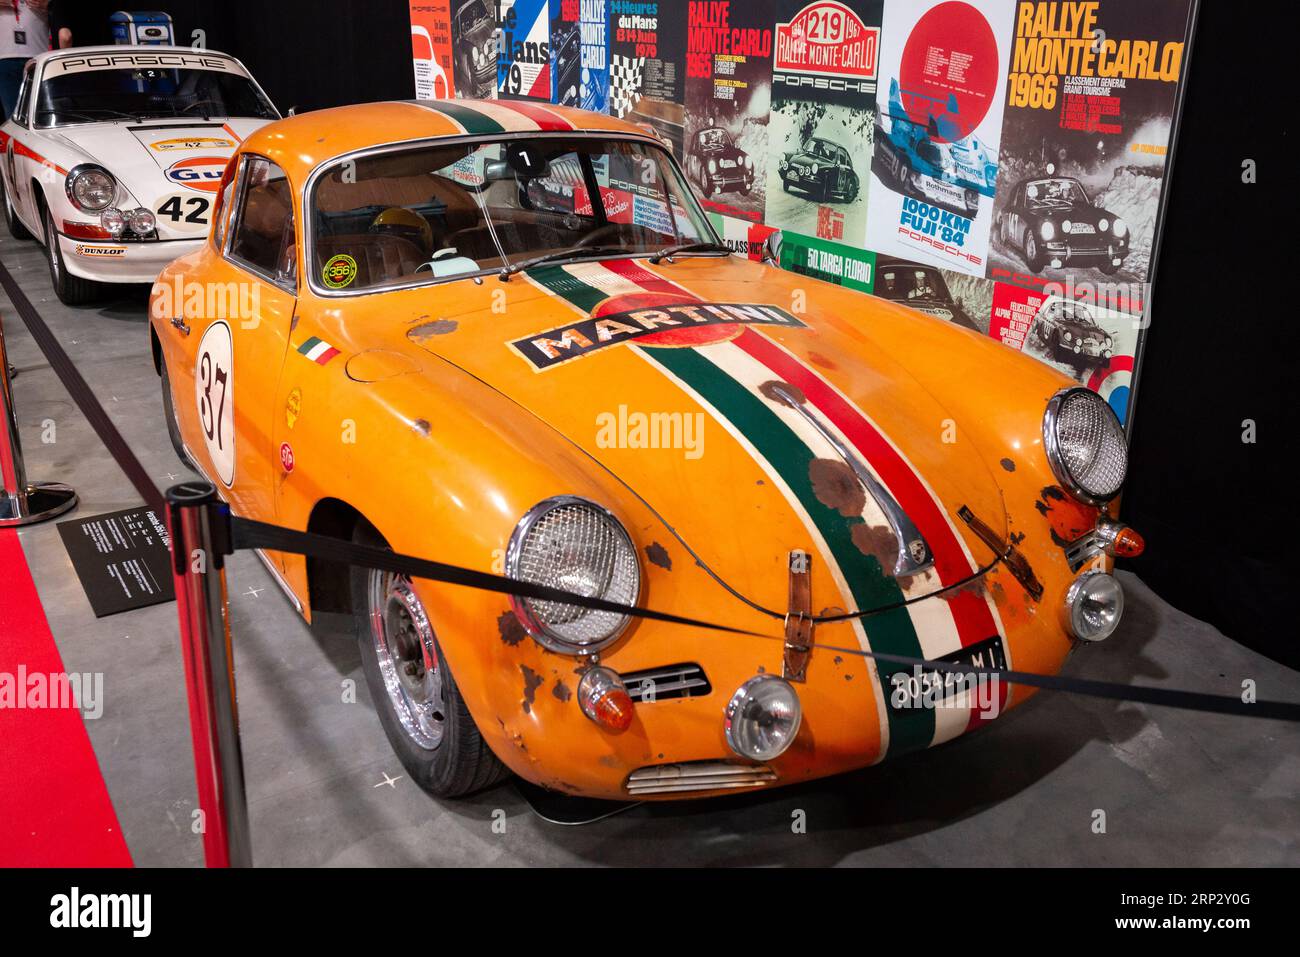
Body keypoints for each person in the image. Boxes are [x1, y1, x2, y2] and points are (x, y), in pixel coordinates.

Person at [0, 0, 50, 118]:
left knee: (42, 115)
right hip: (5, 57)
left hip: (38, 57)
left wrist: (50, 5)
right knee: (13, 116)